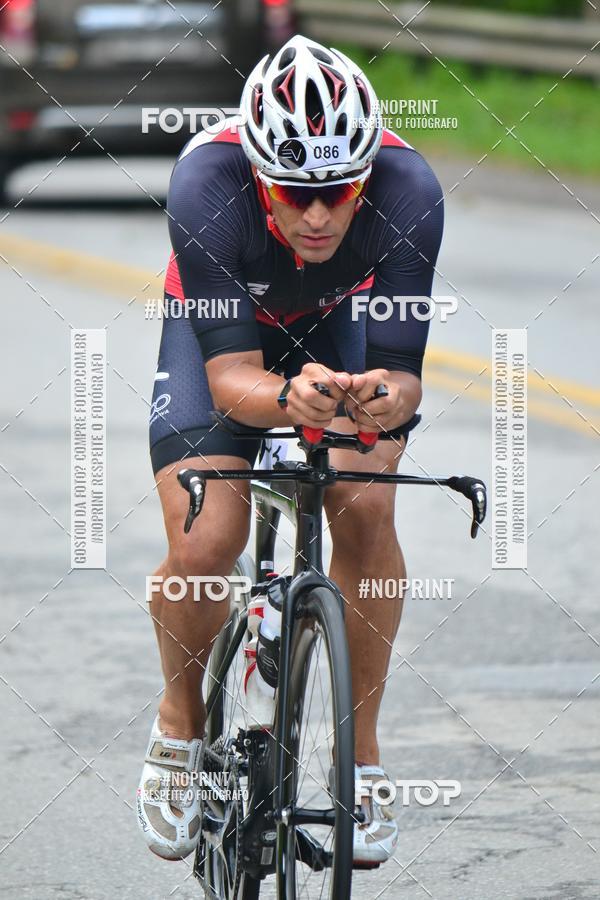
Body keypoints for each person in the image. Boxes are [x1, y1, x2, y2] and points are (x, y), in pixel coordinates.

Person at [137, 34, 444, 865]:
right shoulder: (206, 180)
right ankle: (177, 726)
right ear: (259, 178)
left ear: (368, 179)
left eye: (339, 193)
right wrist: (287, 398)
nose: (316, 216)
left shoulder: (412, 189)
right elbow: (233, 374)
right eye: (293, 193)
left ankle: (364, 754)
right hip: (223, 349)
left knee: (370, 504)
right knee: (207, 539)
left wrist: (382, 398)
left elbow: (406, 378)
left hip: (342, 330)